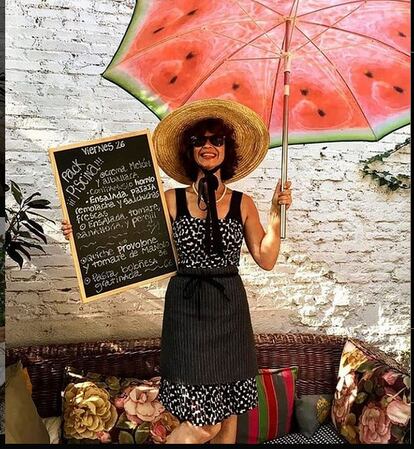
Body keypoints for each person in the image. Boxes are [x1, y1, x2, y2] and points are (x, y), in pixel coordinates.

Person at [61, 99, 292, 444]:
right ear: (190, 150)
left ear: (227, 148)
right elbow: (134, 239)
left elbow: (266, 257)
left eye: (217, 140)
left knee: (227, 415)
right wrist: (83, 232)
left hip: (229, 309)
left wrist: (276, 212)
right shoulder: (172, 200)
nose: (208, 146)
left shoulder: (244, 202)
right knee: (202, 424)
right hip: (186, 312)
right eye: (199, 140)